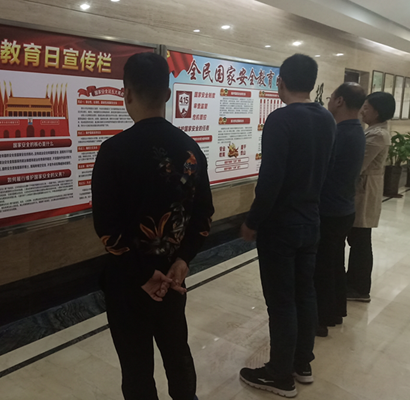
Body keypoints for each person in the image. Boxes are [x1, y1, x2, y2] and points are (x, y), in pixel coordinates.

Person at [92, 52, 214, 400]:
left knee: (136, 367)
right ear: (168, 93)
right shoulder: (190, 149)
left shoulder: (113, 151)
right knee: (177, 353)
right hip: (173, 279)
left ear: (127, 93)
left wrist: (144, 275)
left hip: (128, 282)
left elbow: (108, 229)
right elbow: (203, 215)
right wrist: (182, 260)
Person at [238, 54, 336, 398]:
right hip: (311, 220)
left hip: (281, 227)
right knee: (304, 293)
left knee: (281, 300)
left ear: (280, 81)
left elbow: (271, 180)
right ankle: (301, 363)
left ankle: (279, 375)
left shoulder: (280, 119)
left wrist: (252, 221)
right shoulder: (327, 119)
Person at [314, 83, 366, 337]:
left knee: (322, 266)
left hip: (330, 209)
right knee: (334, 262)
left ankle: (320, 318)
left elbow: (322, 171)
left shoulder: (340, 133)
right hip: (344, 208)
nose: (329, 100)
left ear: (339, 101)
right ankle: (334, 312)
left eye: (331, 96)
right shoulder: (356, 130)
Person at [346, 92, 395, 302]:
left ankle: (359, 288)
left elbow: (357, 164)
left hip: (365, 191)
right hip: (363, 189)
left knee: (360, 240)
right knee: (357, 239)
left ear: (377, 111)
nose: (362, 111)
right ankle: (353, 282)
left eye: (366, 107)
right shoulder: (373, 130)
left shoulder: (378, 135)